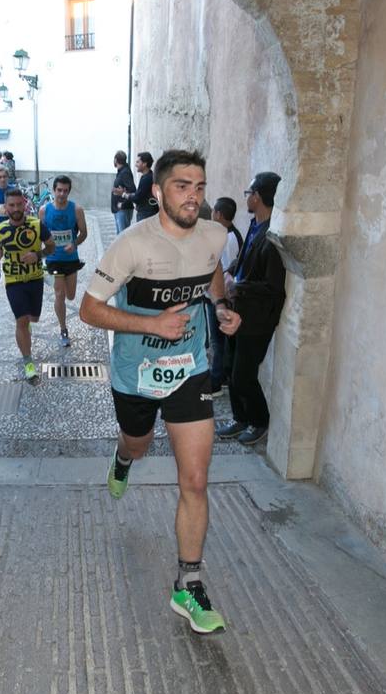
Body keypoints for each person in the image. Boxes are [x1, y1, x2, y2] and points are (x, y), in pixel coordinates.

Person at [79, 149, 242, 635]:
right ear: (157, 191)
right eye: (181, 186)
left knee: (194, 479)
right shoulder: (132, 244)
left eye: (199, 186)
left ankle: (187, 583)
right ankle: (124, 459)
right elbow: (90, 309)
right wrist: (151, 322)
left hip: (190, 370)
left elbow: (211, 268)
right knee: (139, 442)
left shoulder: (214, 235)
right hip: (135, 374)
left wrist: (220, 304)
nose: (192, 196)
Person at [215, 172, 286, 447]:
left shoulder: (273, 235)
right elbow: (242, 259)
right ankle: (239, 419)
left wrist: (239, 286)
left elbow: (273, 287)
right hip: (238, 310)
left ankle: (259, 421)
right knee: (232, 370)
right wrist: (231, 272)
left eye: (249, 193)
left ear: (257, 196)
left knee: (244, 376)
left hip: (257, 319)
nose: (247, 197)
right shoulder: (254, 224)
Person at [0, 189, 55, 382]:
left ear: (25, 204)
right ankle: (28, 362)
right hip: (13, 281)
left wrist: (37, 255)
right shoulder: (1, 229)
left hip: (35, 278)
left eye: (19, 204)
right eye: (12, 205)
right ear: (5, 207)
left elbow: (51, 246)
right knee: (22, 321)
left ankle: (27, 327)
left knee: (33, 319)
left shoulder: (37, 225)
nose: (16, 208)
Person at [42, 175, 87, 348]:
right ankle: (63, 329)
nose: (62, 194)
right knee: (59, 294)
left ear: (69, 191)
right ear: (53, 190)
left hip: (70, 259)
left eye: (65, 191)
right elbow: (40, 234)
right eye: (59, 190)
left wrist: (74, 244)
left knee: (71, 295)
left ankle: (63, 325)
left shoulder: (76, 210)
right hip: (53, 259)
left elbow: (83, 233)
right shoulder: (44, 211)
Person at [207, 196, 245, 396]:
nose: (212, 214)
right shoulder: (234, 235)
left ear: (219, 214)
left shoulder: (226, 239)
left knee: (217, 341)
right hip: (222, 297)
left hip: (220, 298)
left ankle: (216, 381)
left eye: (214, 211)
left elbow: (221, 269)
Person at [110, 149, 135, 233]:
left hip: (123, 210)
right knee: (120, 237)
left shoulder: (125, 173)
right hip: (119, 210)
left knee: (123, 237)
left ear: (116, 160)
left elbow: (132, 190)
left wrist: (123, 203)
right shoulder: (122, 171)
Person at [132, 151, 158, 221]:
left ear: (144, 164)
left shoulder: (147, 178)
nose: (135, 165)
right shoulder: (148, 176)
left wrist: (124, 194)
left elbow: (137, 198)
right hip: (147, 214)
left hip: (146, 215)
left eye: (138, 162)